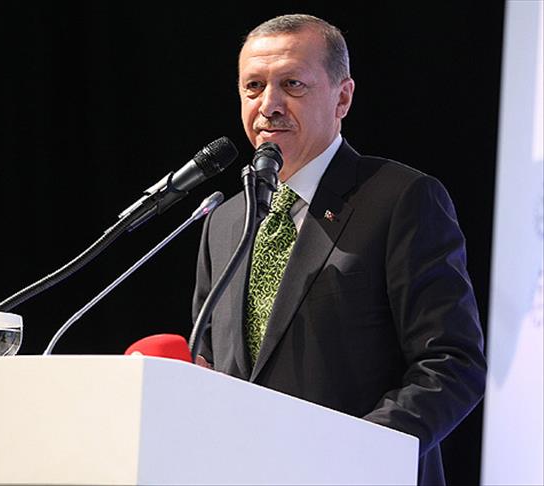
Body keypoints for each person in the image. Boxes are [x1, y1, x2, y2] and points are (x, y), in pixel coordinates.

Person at [192, 14, 486, 485]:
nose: (269, 105)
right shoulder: (225, 220)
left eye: (292, 84)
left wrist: (354, 456)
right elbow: (211, 363)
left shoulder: (400, 199)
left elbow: (452, 364)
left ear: (342, 97)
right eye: (253, 87)